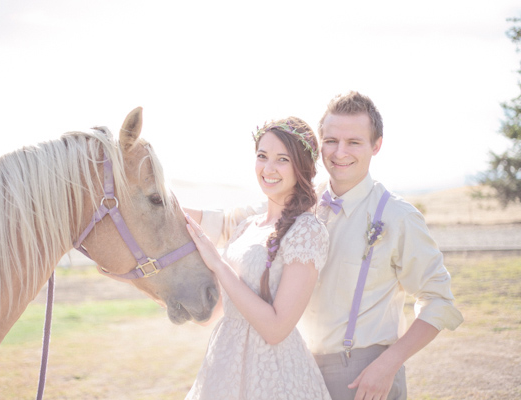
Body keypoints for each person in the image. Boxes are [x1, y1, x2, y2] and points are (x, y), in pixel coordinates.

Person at [196, 91, 464, 400]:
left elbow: (438, 300)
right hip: (296, 368)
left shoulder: (398, 217)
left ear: (376, 146)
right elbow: (233, 222)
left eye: (354, 142)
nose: (339, 152)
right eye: (331, 141)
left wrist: (388, 364)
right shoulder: (300, 201)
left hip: (362, 372)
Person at [184, 117, 332, 399]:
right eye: (262, 156)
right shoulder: (246, 227)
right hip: (224, 365)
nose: (268, 168)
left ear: (302, 166)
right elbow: (215, 314)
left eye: (282, 159)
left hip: (274, 375)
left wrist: (217, 263)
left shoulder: (307, 231)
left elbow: (276, 329)